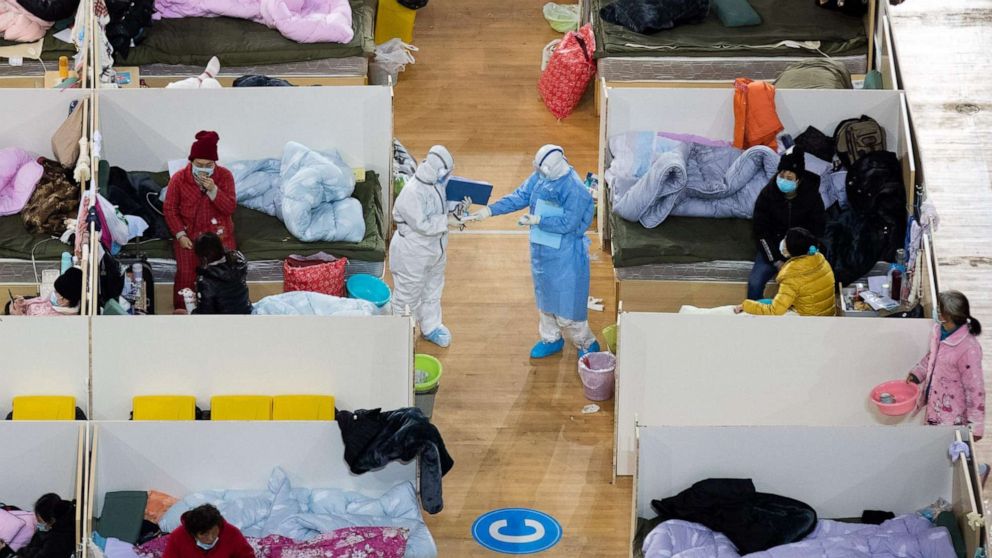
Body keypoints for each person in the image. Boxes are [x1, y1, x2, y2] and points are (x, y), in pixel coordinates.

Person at [468, 145, 600, 358]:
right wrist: (489, 210)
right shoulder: (541, 177)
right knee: (545, 299)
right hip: (542, 251)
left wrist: (539, 220)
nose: (539, 175)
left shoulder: (574, 188)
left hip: (565, 255)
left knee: (568, 306)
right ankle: (551, 338)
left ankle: (585, 343)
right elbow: (520, 196)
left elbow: (569, 222)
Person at [389, 145, 461, 348]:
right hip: (413, 254)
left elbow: (439, 207)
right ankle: (400, 336)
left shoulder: (435, 183)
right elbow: (423, 225)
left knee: (432, 290)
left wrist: (457, 208)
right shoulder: (412, 191)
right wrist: (447, 221)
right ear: (438, 170)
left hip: (434, 251)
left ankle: (431, 326)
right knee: (407, 296)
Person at [164, 131, 237, 311]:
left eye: (208, 165)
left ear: (214, 164)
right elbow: (170, 209)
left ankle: (221, 310)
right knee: (186, 274)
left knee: (223, 272)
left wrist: (214, 191)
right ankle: (182, 311)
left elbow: (229, 208)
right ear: (191, 162)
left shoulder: (225, 177)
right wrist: (180, 234)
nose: (203, 168)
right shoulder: (179, 179)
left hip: (218, 236)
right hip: (189, 236)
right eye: (199, 164)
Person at [749, 148, 826, 300]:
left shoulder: (812, 197)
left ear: (799, 180)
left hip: (800, 251)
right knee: (754, 283)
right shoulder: (767, 194)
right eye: (781, 175)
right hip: (773, 248)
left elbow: (818, 229)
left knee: (810, 286)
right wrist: (777, 261)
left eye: (789, 178)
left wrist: (802, 257)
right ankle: (753, 316)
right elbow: (761, 231)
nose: (784, 180)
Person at [907, 291, 985, 439]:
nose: (936, 312)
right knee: (932, 442)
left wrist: (976, 426)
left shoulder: (968, 349)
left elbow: (975, 389)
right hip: (935, 404)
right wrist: (918, 373)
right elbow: (933, 356)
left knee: (950, 446)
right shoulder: (940, 332)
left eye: (938, 309)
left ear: (946, 315)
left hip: (953, 414)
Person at [734, 228, 836, 316]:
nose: (783, 242)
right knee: (766, 302)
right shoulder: (821, 260)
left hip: (806, 320)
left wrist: (746, 306)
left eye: (786, 240)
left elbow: (775, 311)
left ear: (791, 250)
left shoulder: (792, 276)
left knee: (758, 306)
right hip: (825, 314)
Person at [191, 233, 252, 315]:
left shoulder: (206, 280)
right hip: (246, 311)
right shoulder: (238, 261)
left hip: (224, 321)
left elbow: (205, 313)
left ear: (203, 258)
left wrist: (193, 310)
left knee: (179, 312)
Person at [162, 504, 253, 558]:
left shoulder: (233, 534)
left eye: (214, 532)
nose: (211, 538)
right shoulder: (177, 537)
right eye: (204, 535)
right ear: (193, 534)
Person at [0, 494, 76, 558]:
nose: (38, 524)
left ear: (52, 520)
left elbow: (43, 554)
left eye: (40, 521)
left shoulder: (58, 539)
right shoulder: (53, 527)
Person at [4, 267, 82, 316]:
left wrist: (20, 317)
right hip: (27, 310)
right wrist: (24, 302)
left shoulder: (57, 317)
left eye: (57, 292)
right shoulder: (57, 300)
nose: (54, 294)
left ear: (64, 299)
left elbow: (32, 332)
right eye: (55, 291)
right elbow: (40, 300)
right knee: (9, 304)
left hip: (23, 322)